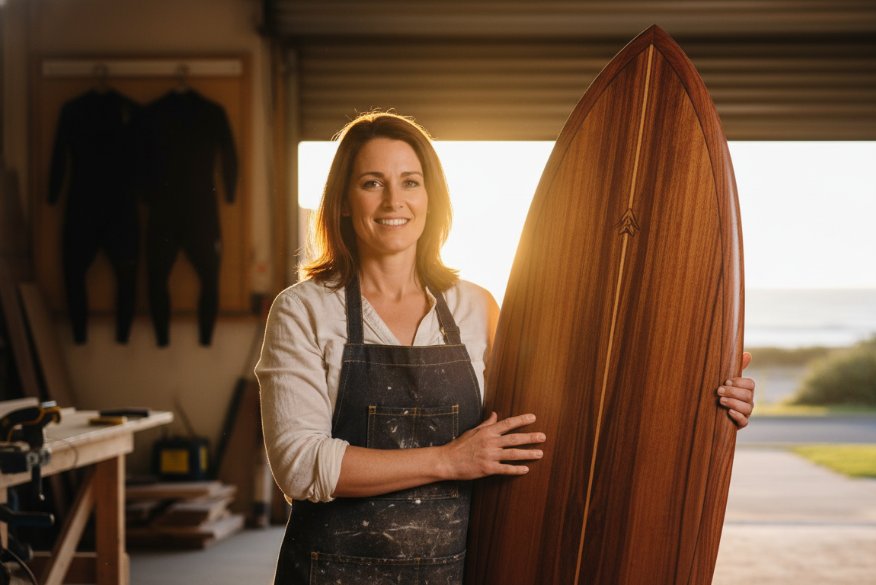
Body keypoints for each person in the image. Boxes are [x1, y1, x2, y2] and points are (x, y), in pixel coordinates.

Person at [255, 112, 756, 584]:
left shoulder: (476, 307)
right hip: (330, 572)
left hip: (458, 572)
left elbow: (560, 418)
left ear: (432, 198)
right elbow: (300, 465)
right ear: (342, 200)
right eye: (372, 183)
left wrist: (704, 398)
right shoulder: (303, 310)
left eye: (410, 181)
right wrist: (449, 461)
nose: (394, 201)